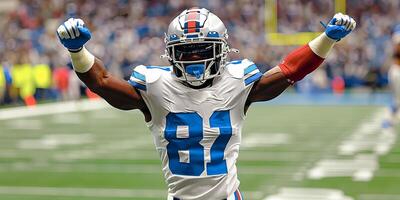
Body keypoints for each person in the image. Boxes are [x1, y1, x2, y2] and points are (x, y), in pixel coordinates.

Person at [56, 8, 356, 200]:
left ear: (222, 50)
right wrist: (78, 50)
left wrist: (326, 39)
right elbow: (102, 82)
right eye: (186, 52)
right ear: (171, 54)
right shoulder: (156, 88)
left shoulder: (237, 82)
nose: (195, 59)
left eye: (202, 50)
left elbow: (289, 71)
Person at [388, 25, 400, 123]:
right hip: (397, 70)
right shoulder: (397, 31)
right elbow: (396, 49)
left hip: (396, 70)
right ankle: (390, 119)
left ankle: (391, 118)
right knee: (397, 98)